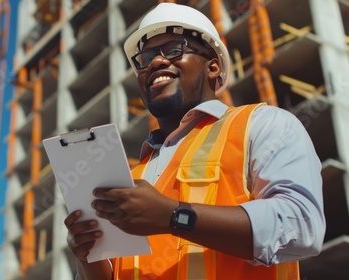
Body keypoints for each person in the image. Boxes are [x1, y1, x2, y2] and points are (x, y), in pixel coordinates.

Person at [64, 3, 325, 279]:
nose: (155, 62)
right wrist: (87, 257)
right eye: (145, 58)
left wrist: (174, 217)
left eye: (175, 49)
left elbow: (302, 226)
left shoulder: (261, 125)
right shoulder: (130, 179)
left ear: (213, 67)